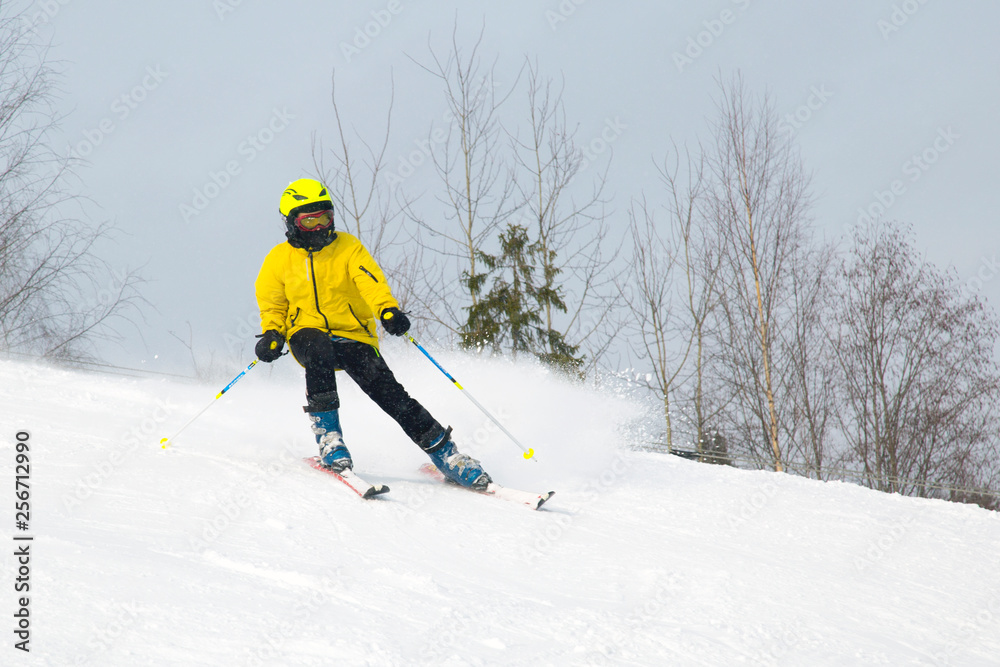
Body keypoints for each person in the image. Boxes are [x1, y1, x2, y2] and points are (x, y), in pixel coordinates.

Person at [253, 178, 491, 490]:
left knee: (389, 392)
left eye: (325, 217)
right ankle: (330, 441)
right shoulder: (277, 260)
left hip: (354, 334)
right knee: (319, 349)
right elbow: (273, 303)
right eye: (309, 221)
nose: (320, 227)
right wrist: (272, 334)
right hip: (305, 333)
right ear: (292, 223)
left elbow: (371, 282)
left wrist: (387, 310)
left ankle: (448, 455)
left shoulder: (348, 247)